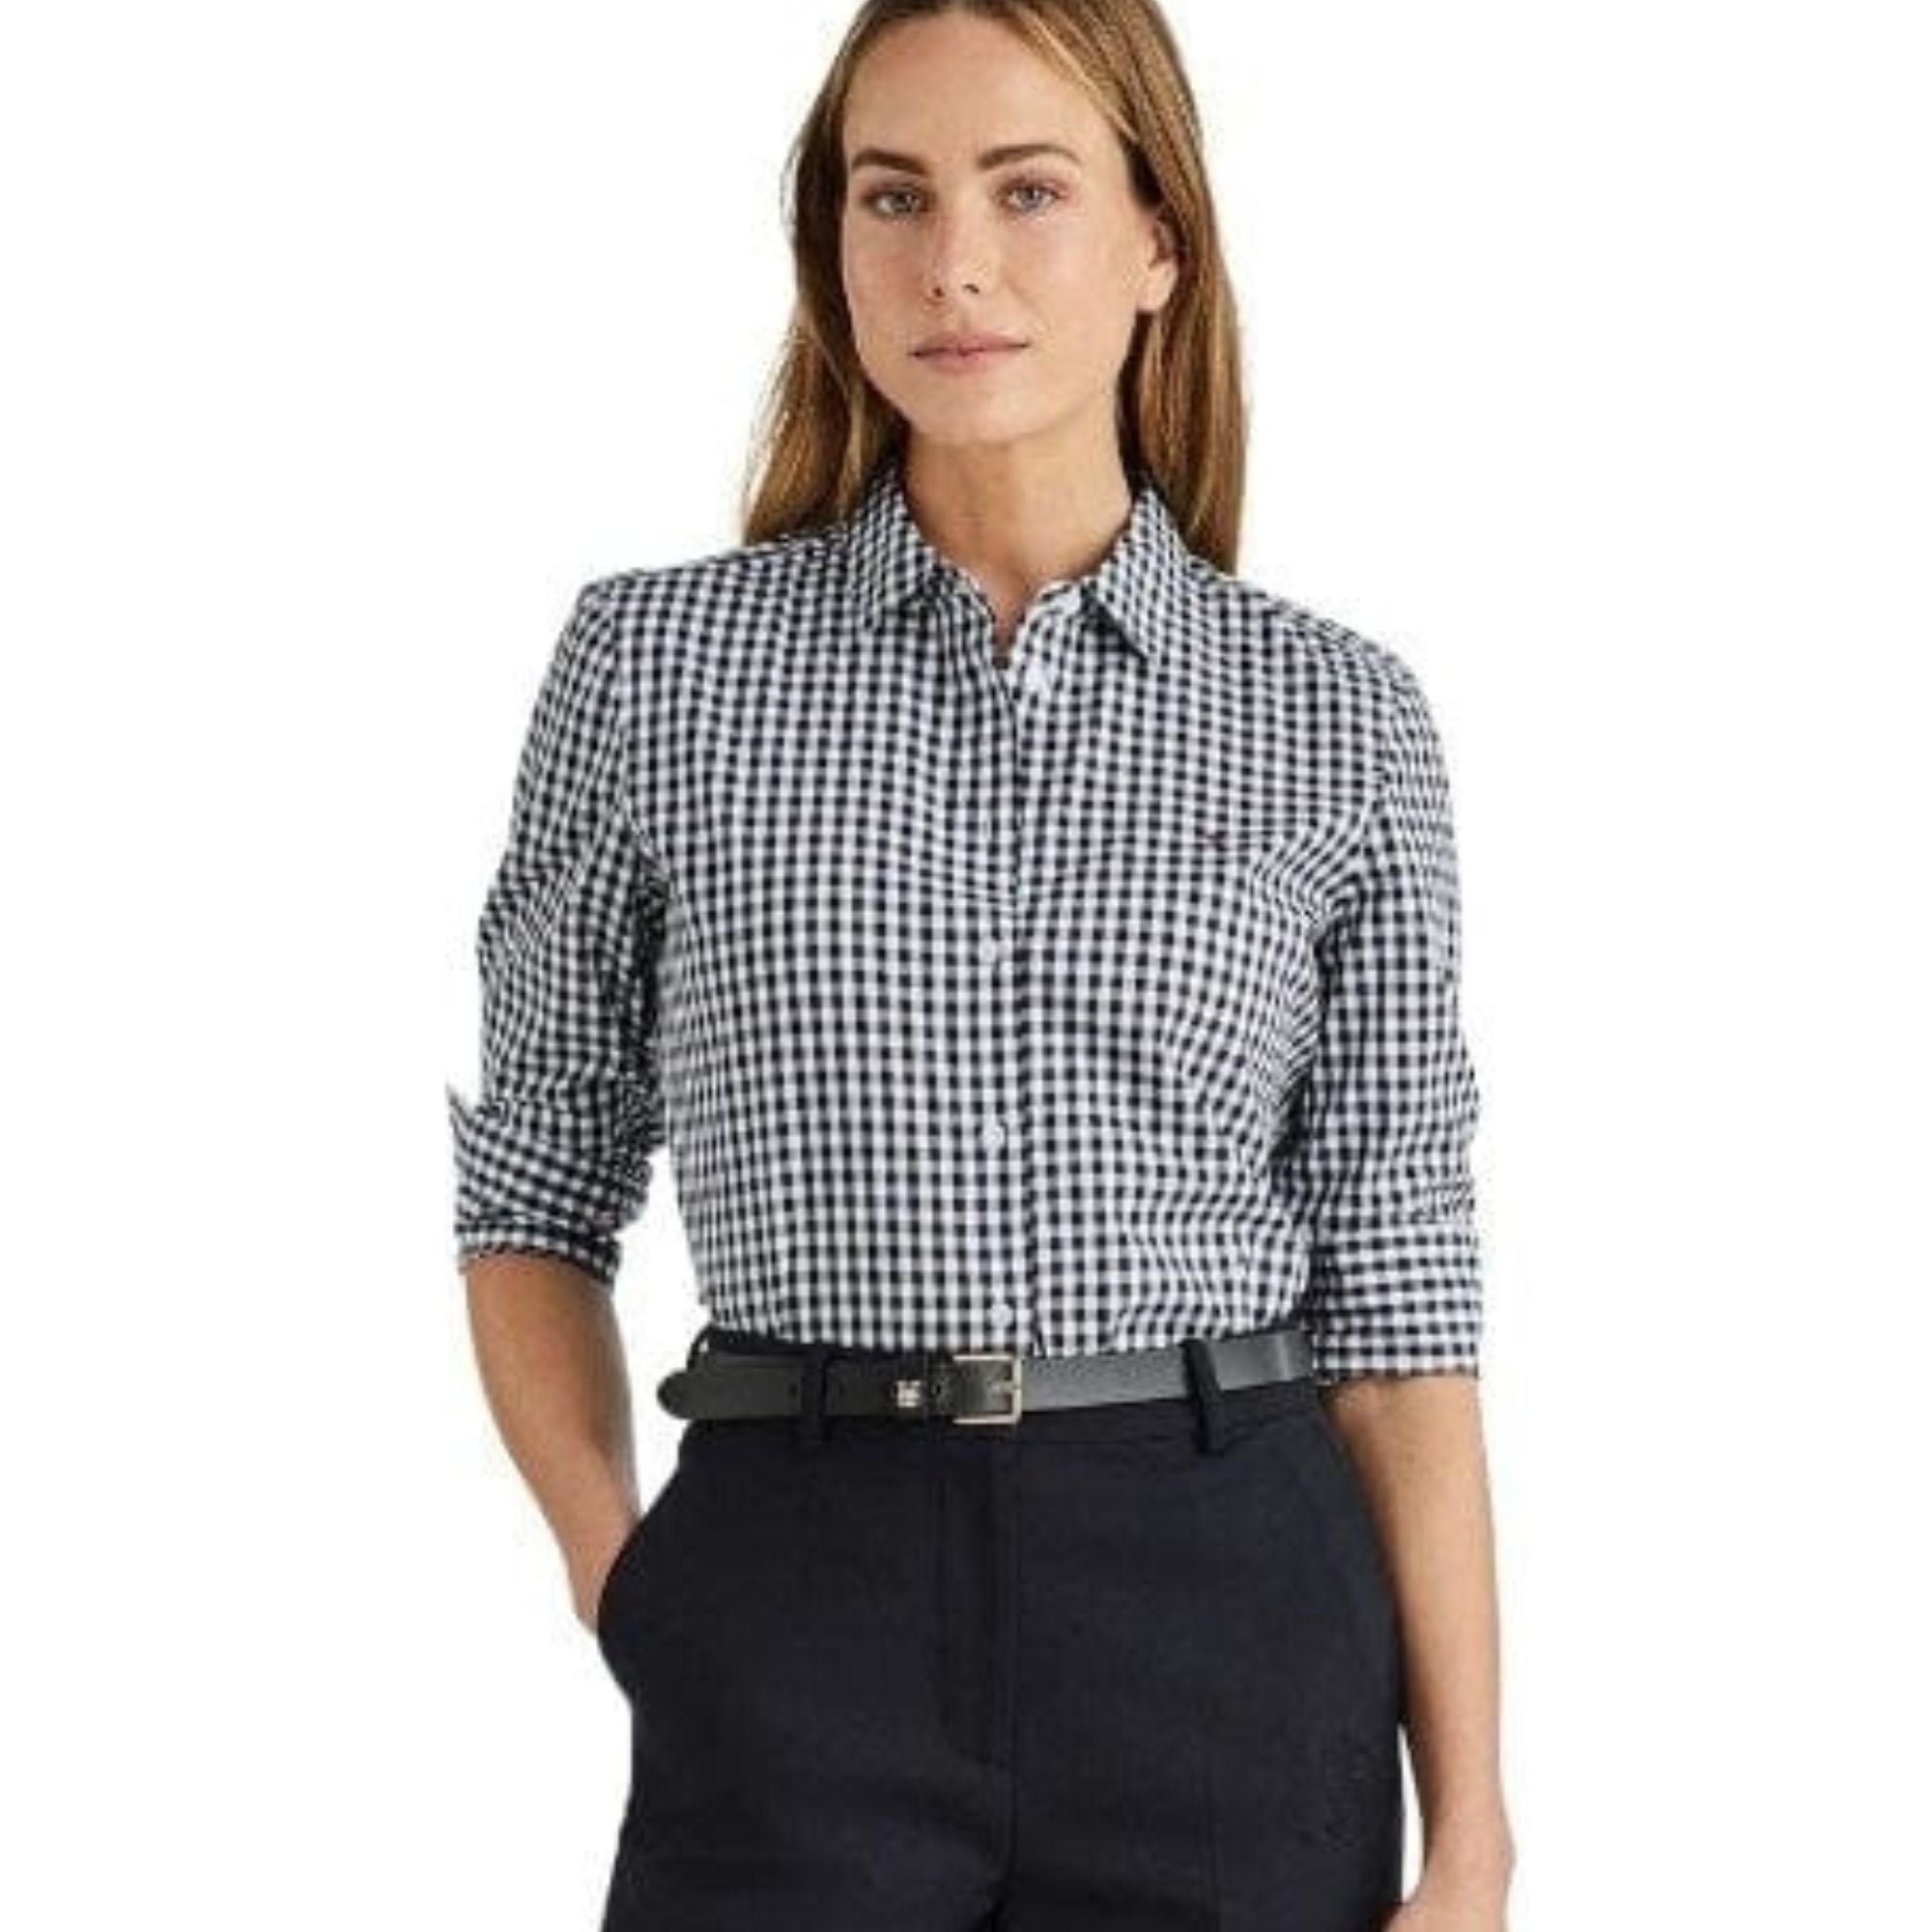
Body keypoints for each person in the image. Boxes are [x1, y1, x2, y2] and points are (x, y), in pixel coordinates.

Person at [445, 2, 1515, 1926]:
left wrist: (1476, 1833)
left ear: (1156, 242)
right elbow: (534, 1186)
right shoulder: (653, 670)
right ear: (832, 244)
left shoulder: (1336, 719)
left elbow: (1399, 1300)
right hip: (792, 1592)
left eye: (1028, 192)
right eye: (894, 197)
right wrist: (629, 1578)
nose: (953, 262)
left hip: (1227, 1614)